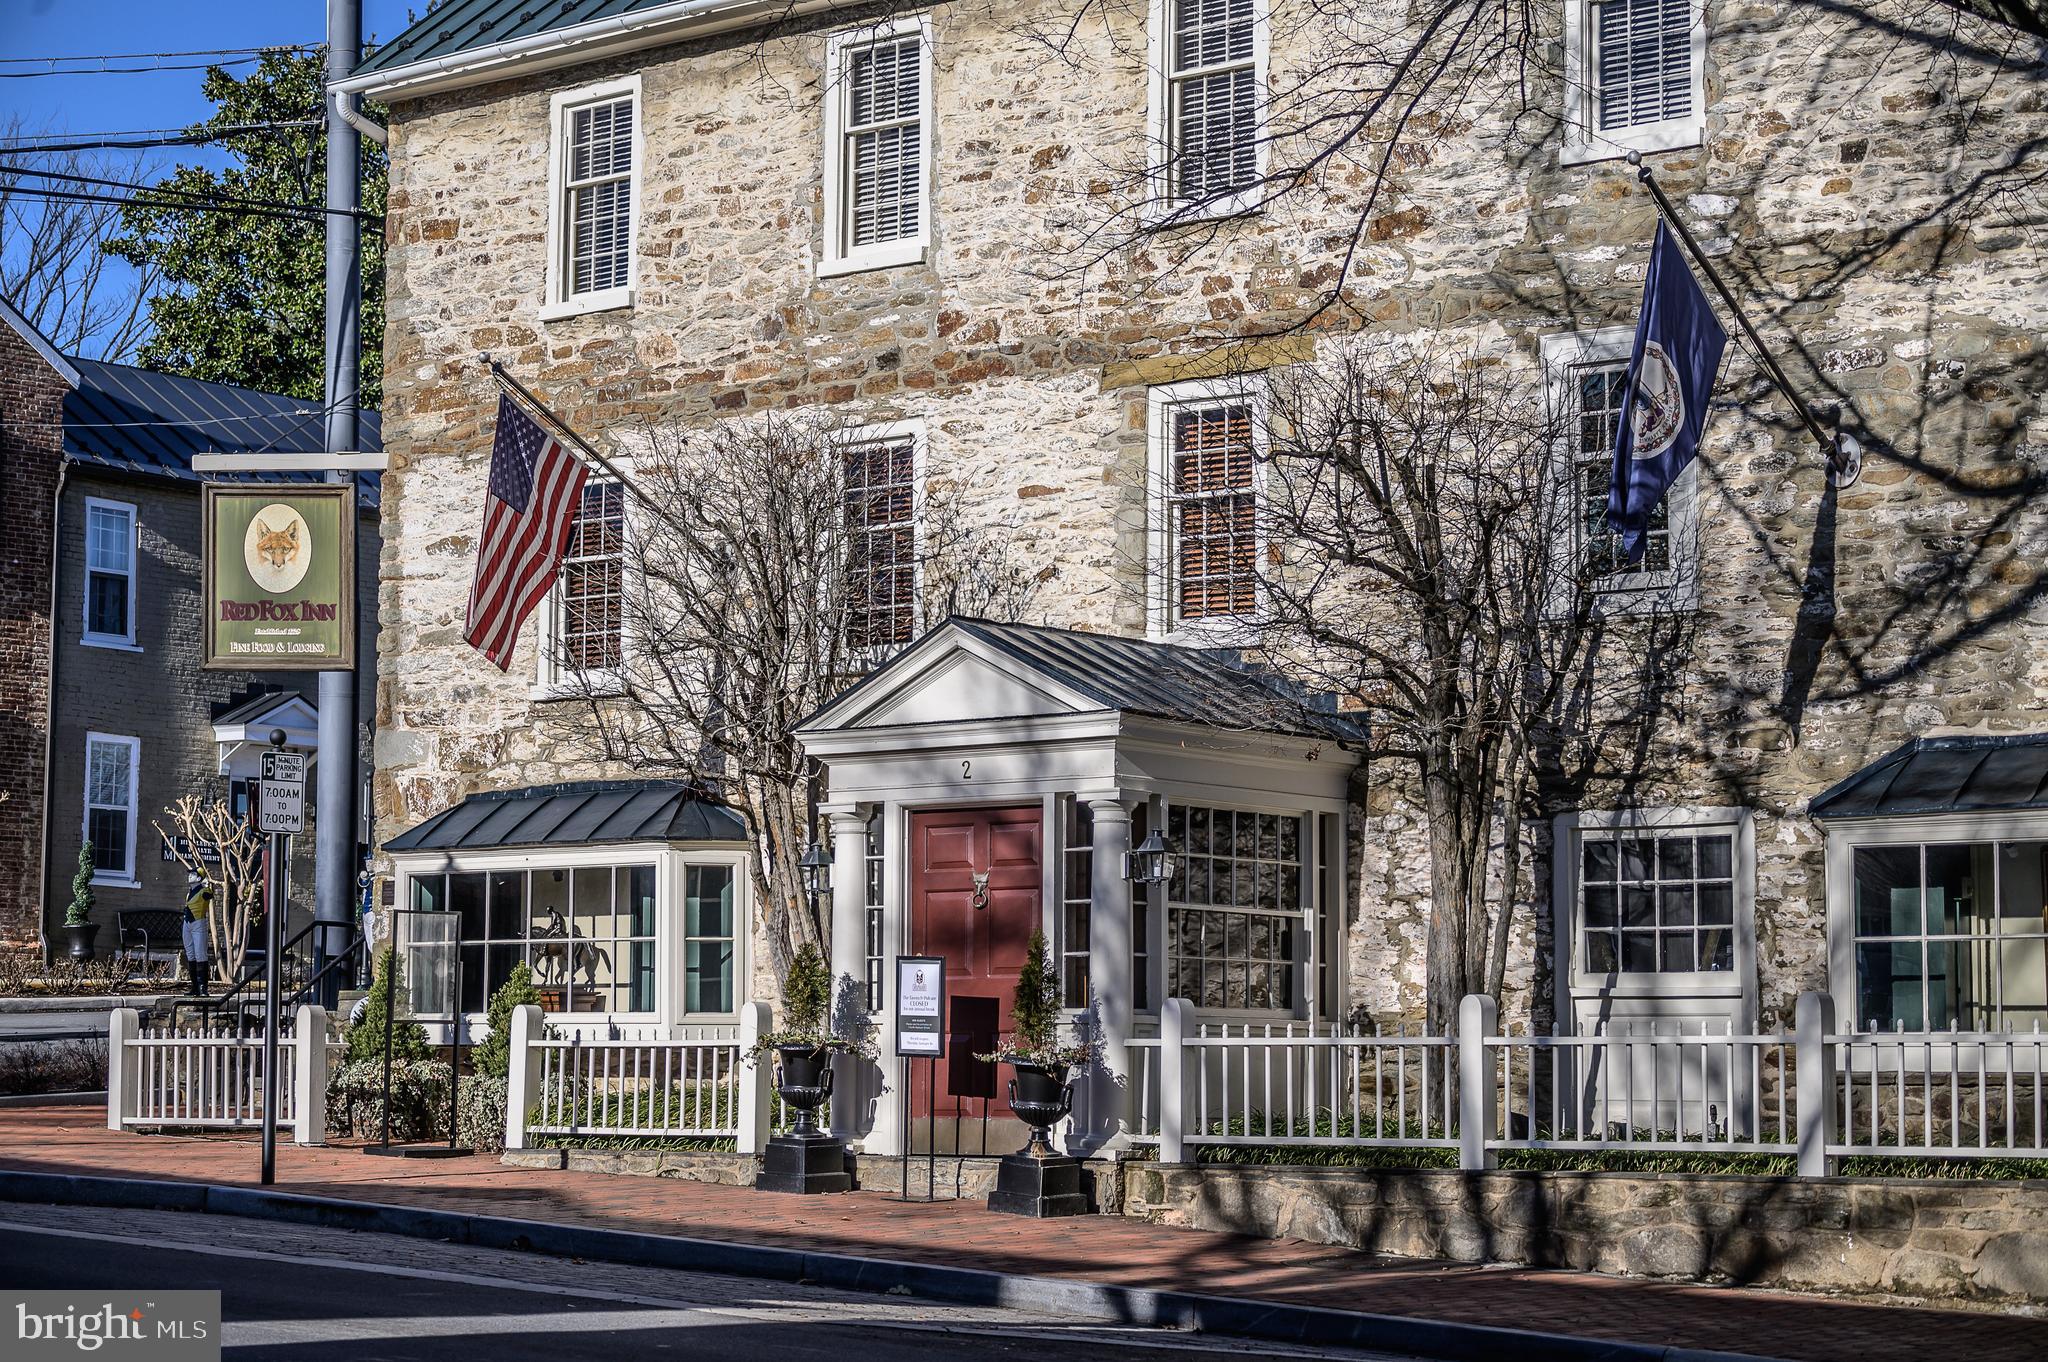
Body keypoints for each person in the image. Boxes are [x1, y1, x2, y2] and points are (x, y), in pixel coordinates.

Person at [181, 872, 212, 997]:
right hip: (187, 923)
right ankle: (194, 987)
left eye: (193, 874)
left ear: (199, 878)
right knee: (190, 954)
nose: (190, 876)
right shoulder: (189, 892)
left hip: (198, 922)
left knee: (200, 954)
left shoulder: (204, 890)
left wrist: (207, 886)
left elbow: (209, 894)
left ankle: (202, 987)